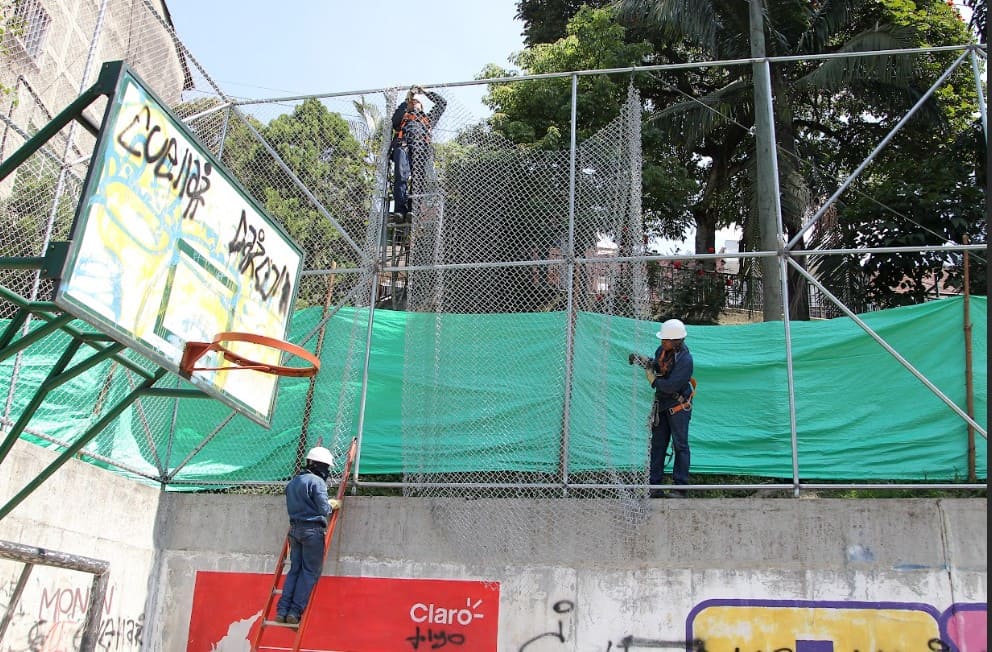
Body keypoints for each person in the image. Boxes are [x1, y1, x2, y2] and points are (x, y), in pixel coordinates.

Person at [275, 446, 340, 625]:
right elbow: (323, 509)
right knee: (310, 572)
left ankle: (282, 610)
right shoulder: (317, 482)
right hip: (312, 531)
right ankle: (294, 612)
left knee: (295, 569)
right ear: (321, 465)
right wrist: (332, 504)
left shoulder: (294, 481)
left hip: (294, 530)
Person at [643, 318, 695, 498]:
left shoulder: (686, 360)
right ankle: (653, 486)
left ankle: (680, 487)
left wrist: (653, 380)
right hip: (663, 404)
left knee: (680, 445)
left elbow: (671, 385)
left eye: (665, 340)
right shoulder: (661, 351)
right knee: (657, 445)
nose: (662, 342)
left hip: (678, 405)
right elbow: (659, 366)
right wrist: (647, 363)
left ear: (676, 341)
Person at [390, 85, 447, 223]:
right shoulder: (403, 116)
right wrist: (408, 98)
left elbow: (442, 103)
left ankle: (412, 210)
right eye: (412, 102)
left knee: (419, 180)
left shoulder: (428, 119)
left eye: (417, 102)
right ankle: (400, 210)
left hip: (421, 150)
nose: (414, 103)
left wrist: (425, 93)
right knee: (401, 175)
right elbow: (394, 120)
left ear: (422, 107)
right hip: (403, 146)